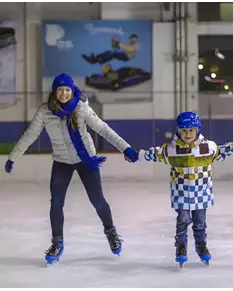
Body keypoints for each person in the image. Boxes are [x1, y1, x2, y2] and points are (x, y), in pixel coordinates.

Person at [4, 73, 139, 264]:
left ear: (72, 90)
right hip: (61, 162)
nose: (64, 93)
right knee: (56, 203)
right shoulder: (45, 111)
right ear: (54, 91)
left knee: (97, 200)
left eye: (67, 89)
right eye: (60, 89)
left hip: (86, 160)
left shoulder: (81, 108)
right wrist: (13, 157)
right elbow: (30, 135)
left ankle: (111, 232)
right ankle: (57, 242)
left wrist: (124, 147)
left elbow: (103, 129)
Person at [137, 111, 233, 268]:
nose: (187, 134)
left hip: (201, 193)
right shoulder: (171, 149)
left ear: (197, 130)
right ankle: (181, 247)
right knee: (182, 221)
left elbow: (222, 151)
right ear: (178, 131)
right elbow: (153, 154)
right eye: (184, 130)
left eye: (191, 130)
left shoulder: (208, 147)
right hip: (181, 193)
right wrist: (137, 155)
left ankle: (201, 245)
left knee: (200, 223)